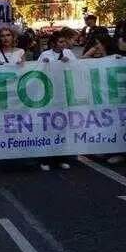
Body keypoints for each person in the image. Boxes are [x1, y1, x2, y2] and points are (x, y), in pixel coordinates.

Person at [36, 29, 74, 171]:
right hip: (48, 94)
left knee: (61, 126)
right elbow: (37, 71)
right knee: (47, 127)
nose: (64, 44)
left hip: (63, 93)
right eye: (61, 41)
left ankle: (61, 158)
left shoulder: (69, 54)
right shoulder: (45, 54)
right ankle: (45, 158)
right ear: (53, 43)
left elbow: (77, 69)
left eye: (65, 41)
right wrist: (45, 64)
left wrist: (68, 63)